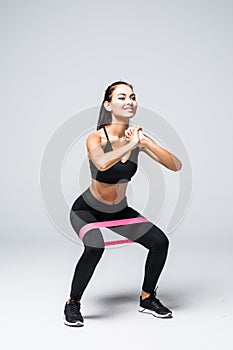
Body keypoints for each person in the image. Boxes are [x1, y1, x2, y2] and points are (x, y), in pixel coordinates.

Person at [64, 80, 182, 327]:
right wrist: (131, 143)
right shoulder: (95, 137)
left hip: (118, 211)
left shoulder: (138, 138)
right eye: (121, 97)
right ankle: (72, 303)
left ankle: (147, 298)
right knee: (95, 247)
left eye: (132, 96)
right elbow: (103, 163)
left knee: (159, 242)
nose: (129, 101)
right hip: (87, 210)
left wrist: (145, 142)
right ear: (108, 105)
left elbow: (175, 165)